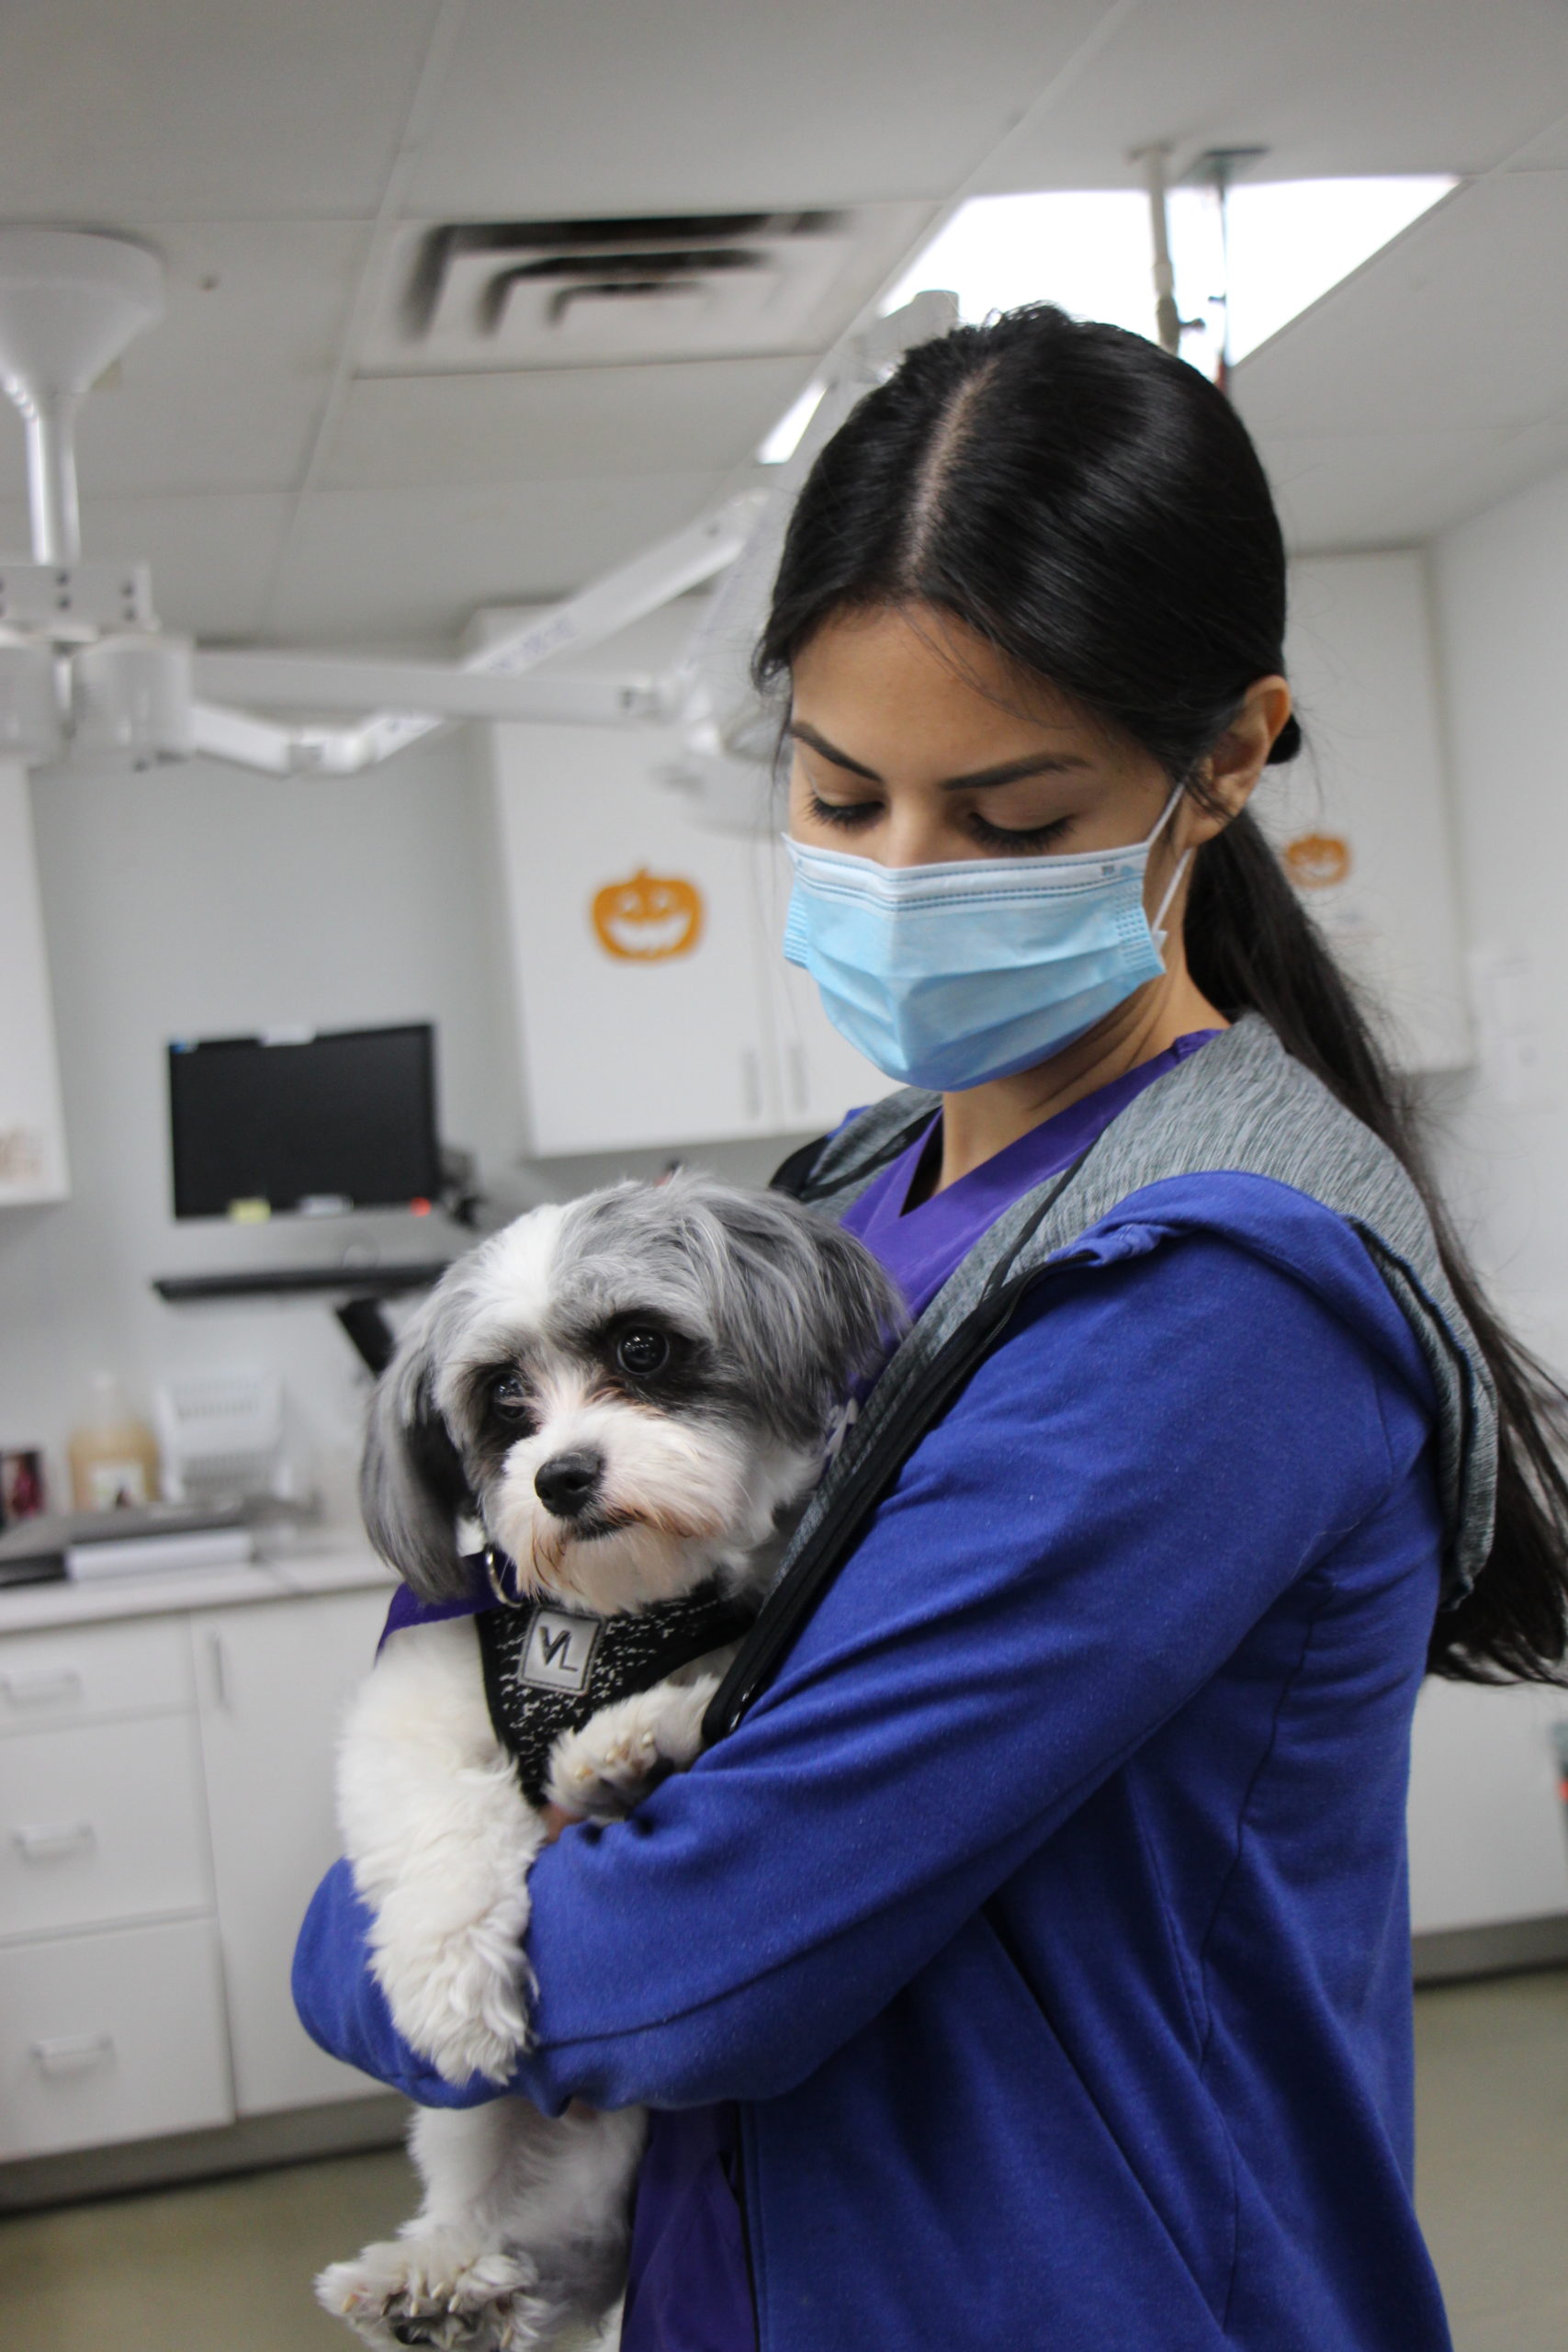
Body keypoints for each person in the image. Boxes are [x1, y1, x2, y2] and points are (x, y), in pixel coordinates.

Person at [294, 305, 1568, 2352]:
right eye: (838, 788)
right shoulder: (837, 1188)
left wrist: (366, 1947)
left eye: (1002, 816)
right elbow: (490, 1634)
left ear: (1225, 756)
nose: (898, 875)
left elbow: (693, 1957)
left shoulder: (1207, 1287)